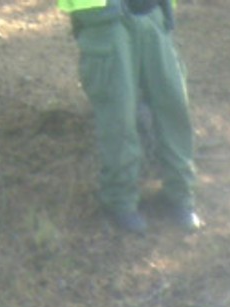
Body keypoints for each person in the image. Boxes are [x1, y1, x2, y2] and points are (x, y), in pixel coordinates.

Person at [56, 0, 200, 235]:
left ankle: (180, 194)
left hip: (151, 10)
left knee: (173, 103)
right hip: (103, 15)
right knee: (118, 112)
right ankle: (119, 201)